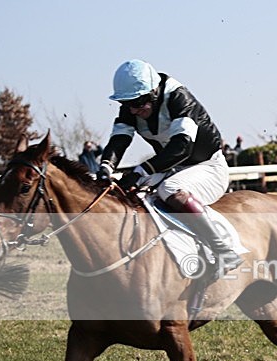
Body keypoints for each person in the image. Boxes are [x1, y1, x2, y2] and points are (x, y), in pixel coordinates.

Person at [96, 59, 242, 277]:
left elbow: (181, 147)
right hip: (173, 168)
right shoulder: (132, 106)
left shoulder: (178, 98)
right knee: (128, 193)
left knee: (169, 189)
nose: (133, 110)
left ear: (154, 92)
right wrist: (106, 166)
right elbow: (119, 140)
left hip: (208, 166)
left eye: (138, 102)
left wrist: (140, 171)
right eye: (127, 104)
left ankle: (224, 251)